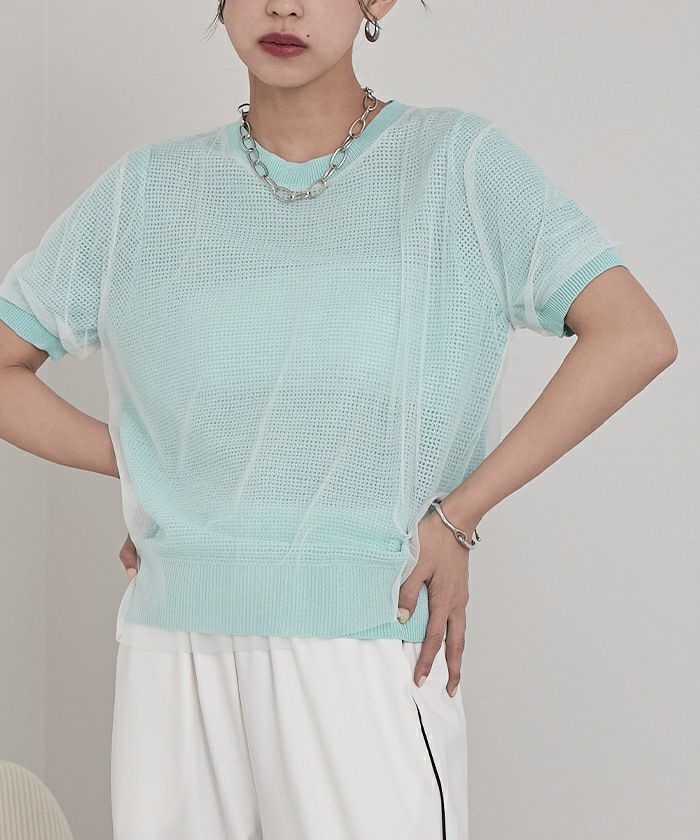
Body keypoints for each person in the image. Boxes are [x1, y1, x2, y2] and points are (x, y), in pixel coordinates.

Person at [0, 0, 677, 838]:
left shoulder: (456, 166)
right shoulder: (144, 191)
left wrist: (458, 516)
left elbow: (633, 335)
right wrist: (152, 464)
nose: (283, 6)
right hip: (173, 652)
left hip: (363, 647)